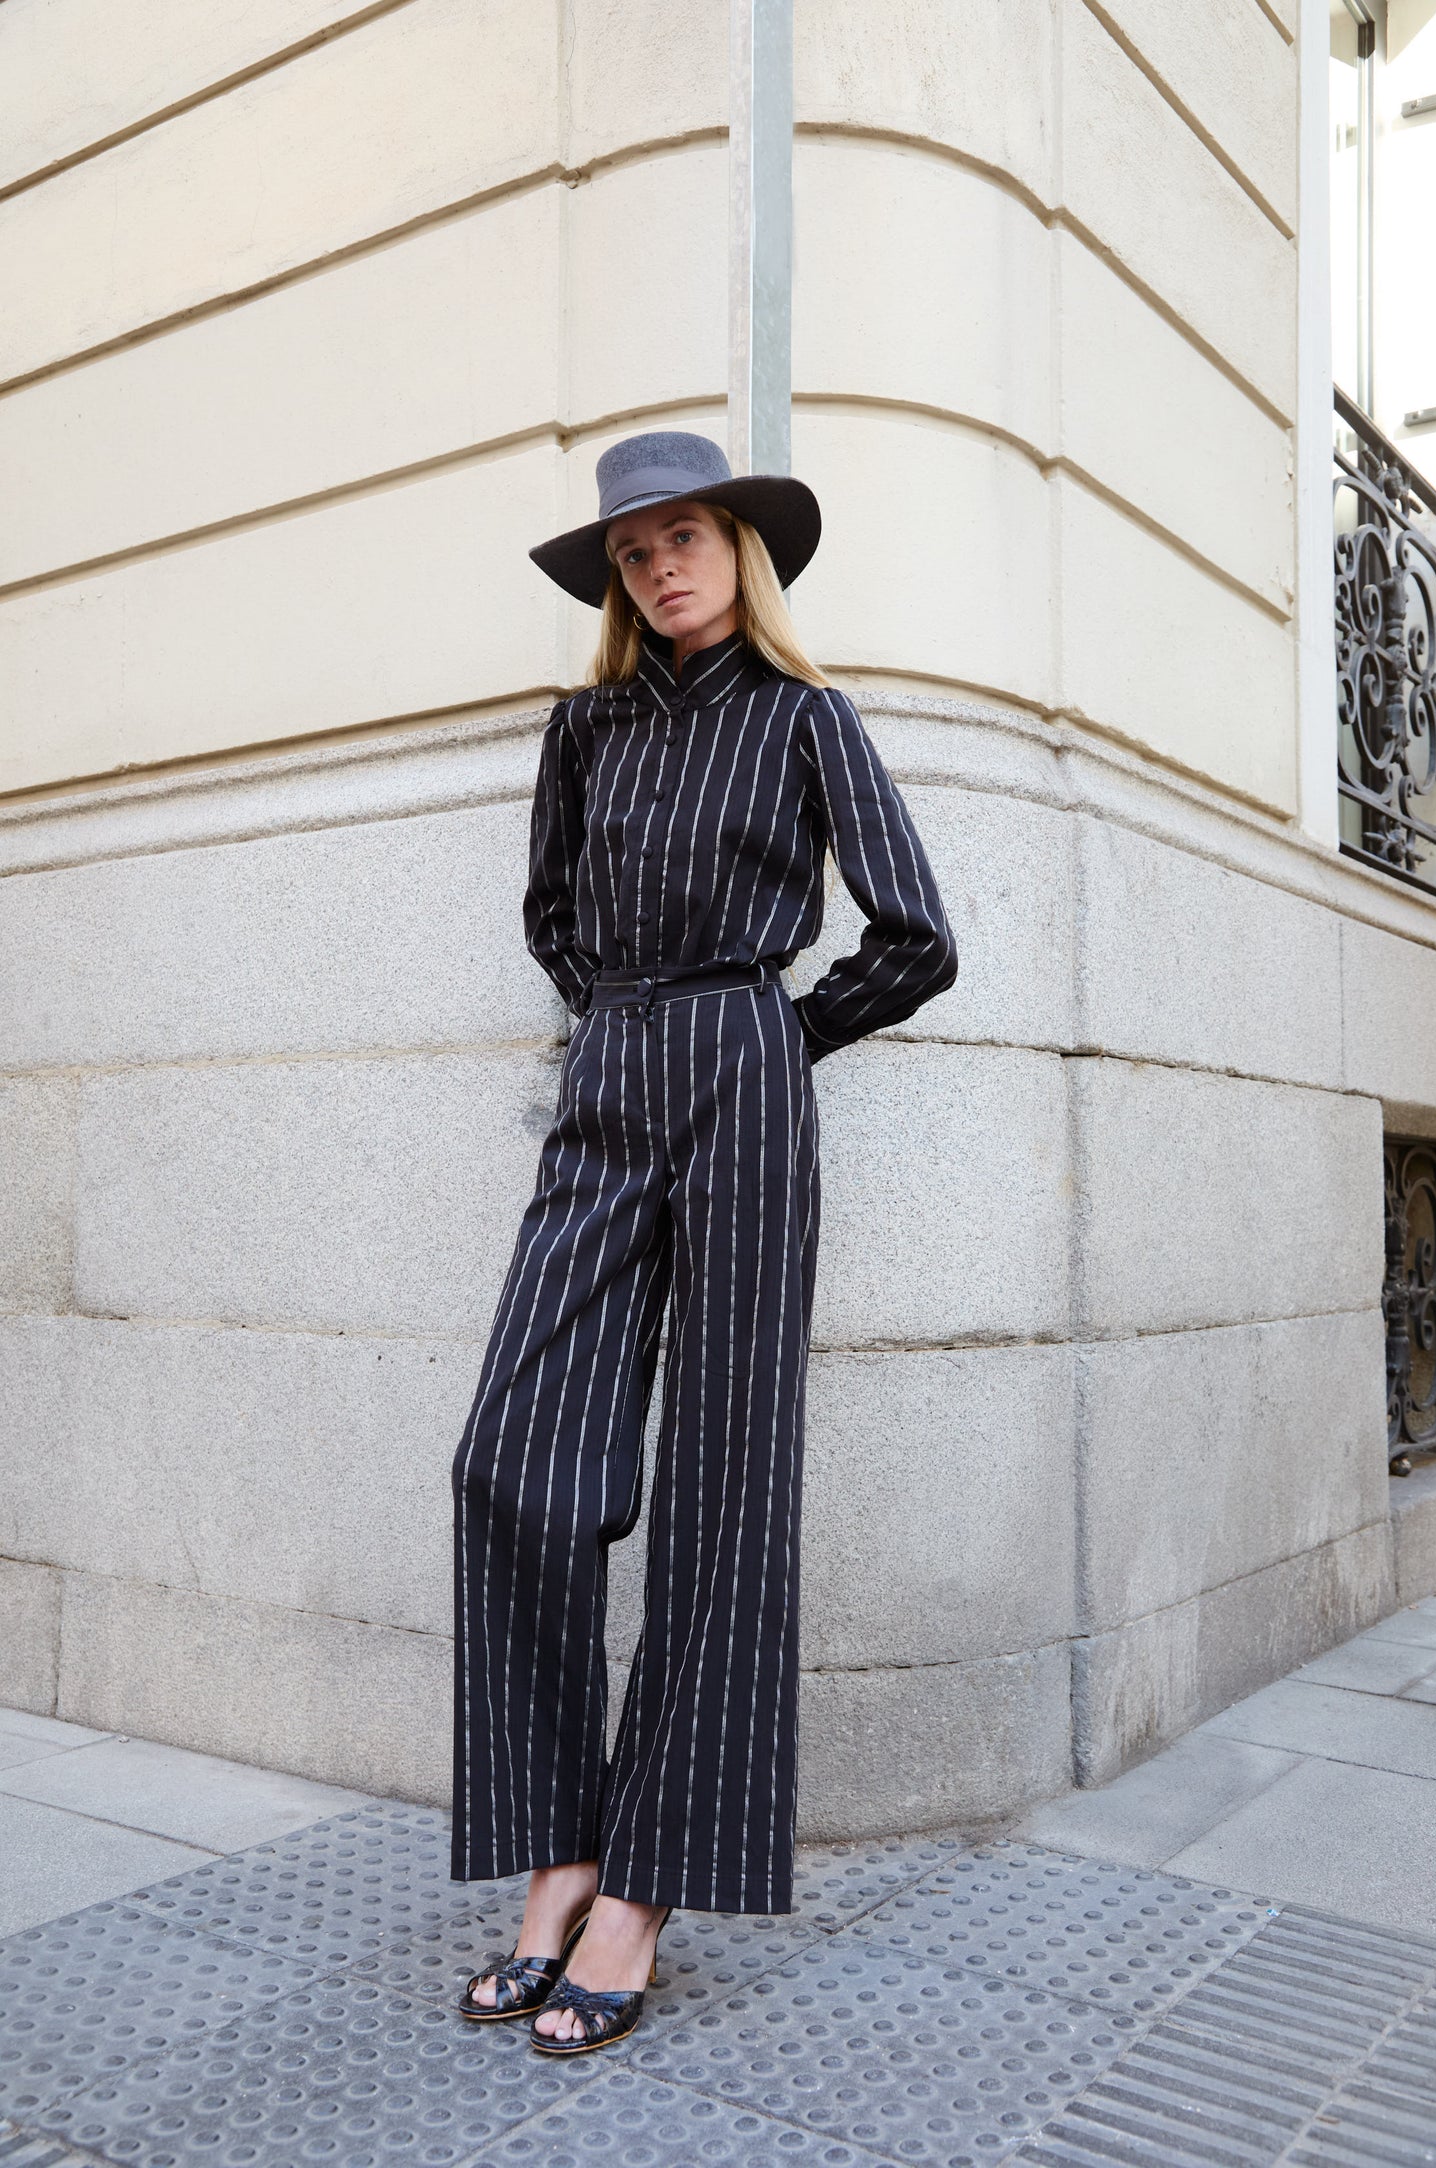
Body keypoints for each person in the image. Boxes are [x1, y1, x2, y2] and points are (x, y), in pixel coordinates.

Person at [451, 430, 957, 2055]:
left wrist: (770, 1039)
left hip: (745, 1071)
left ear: (743, 549)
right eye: (632, 550)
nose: (659, 564)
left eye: (685, 536)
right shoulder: (584, 729)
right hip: (612, 1076)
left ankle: (639, 1897)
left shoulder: (808, 719)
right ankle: (560, 1848)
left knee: (729, 1482)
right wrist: (623, 1030)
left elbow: (915, 936)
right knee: (511, 1462)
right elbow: (550, 916)